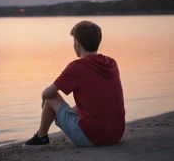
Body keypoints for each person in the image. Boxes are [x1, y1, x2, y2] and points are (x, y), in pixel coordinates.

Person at [22, 20, 125, 148]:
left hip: (92, 138)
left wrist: (44, 100)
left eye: (73, 41)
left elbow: (48, 93)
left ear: (77, 44)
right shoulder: (111, 63)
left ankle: (41, 137)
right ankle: (43, 134)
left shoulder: (77, 67)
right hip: (116, 134)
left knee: (51, 97)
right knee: (81, 106)